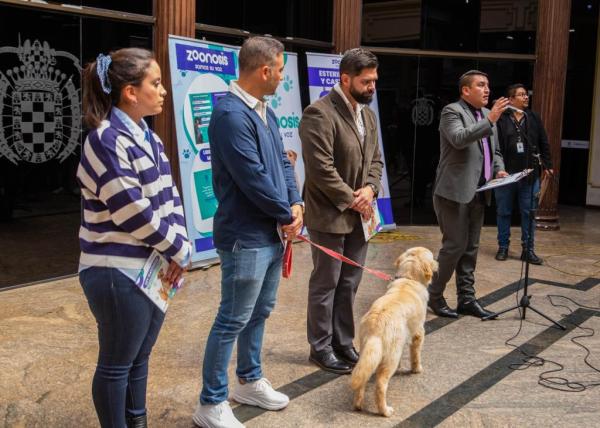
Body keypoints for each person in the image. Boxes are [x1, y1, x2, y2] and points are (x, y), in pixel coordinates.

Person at [77, 48, 191, 428]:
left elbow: (170, 197)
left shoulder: (151, 140)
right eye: (155, 83)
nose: (162, 91)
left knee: (139, 357)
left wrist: (179, 252)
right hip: (115, 271)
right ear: (129, 91)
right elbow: (131, 210)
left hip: (152, 268)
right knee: (116, 364)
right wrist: (177, 249)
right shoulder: (105, 139)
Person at [193, 37, 303, 428]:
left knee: (260, 311)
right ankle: (211, 403)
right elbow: (252, 178)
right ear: (264, 70)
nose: (281, 77)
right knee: (232, 318)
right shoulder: (229, 115)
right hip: (245, 236)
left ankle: (249, 379)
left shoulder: (265, 112)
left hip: (271, 232)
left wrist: (297, 205)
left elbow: (283, 164)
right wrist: (285, 213)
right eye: (280, 70)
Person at [300, 48, 383, 374]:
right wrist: (353, 197)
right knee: (327, 283)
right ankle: (320, 348)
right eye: (366, 81)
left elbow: (375, 161)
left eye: (375, 80)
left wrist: (371, 189)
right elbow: (320, 169)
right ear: (345, 79)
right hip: (330, 214)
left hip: (359, 215)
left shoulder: (368, 114)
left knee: (350, 283)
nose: (372, 87)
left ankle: (343, 342)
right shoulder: (318, 113)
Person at [428, 70, 509, 319]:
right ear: (465, 90)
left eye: (488, 85)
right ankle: (434, 295)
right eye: (481, 85)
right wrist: (492, 119)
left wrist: (500, 169)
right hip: (453, 192)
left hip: (480, 192)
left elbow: (493, 152)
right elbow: (459, 139)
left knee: (471, 248)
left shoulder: (486, 115)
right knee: (454, 246)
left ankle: (467, 298)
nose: (487, 90)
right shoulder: (452, 112)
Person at [494, 84, 553, 265]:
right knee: (504, 212)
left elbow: (543, 141)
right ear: (511, 99)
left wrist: (548, 165)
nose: (526, 97)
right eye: (521, 95)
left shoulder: (533, 117)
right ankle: (503, 247)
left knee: (529, 213)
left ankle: (528, 250)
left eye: (526, 95)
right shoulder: (501, 118)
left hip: (529, 173)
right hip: (506, 175)